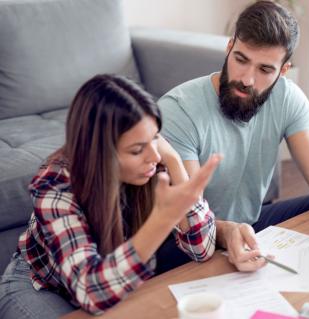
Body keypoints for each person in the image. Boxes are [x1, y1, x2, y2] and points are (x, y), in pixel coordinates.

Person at [159, 1, 309, 272]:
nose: (247, 79)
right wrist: (228, 232)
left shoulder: (287, 97)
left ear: (283, 70)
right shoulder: (179, 110)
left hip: (249, 226)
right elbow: (187, 218)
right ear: (229, 47)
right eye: (241, 60)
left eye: (265, 70)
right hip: (188, 240)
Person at [0, 74, 221, 317]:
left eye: (155, 137)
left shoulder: (153, 160)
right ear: (101, 152)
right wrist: (163, 220)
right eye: (137, 150)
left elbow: (202, 250)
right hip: (43, 287)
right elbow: (90, 293)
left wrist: (176, 163)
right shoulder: (56, 184)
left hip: (111, 280)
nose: (154, 156)